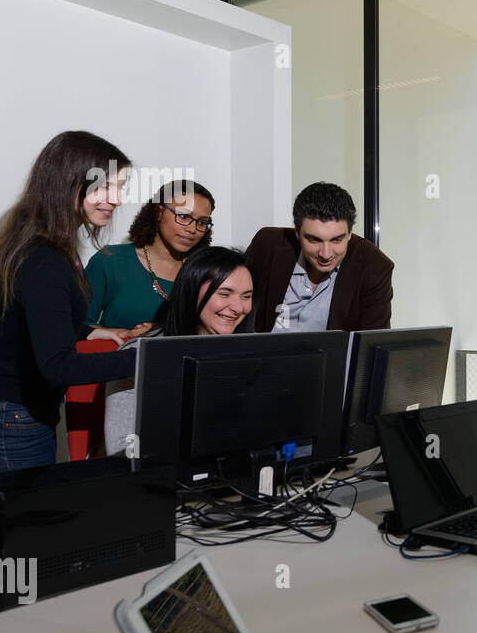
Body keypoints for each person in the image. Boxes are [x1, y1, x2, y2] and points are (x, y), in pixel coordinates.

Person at [0, 131, 148, 476]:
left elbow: (32, 318)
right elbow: (59, 367)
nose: (117, 200)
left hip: (2, 405)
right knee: (27, 512)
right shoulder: (44, 261)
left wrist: (90, 332)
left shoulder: (46, 241)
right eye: (105, 187)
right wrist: (146, 360)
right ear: (69, 182)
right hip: (8, 417)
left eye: (120, 188)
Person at [103, 247, 254, 456]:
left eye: (246, 296)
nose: (238, 307)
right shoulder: (138, 355)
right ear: (192, 291)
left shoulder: (252, 352)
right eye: (224, 294)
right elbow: (123, 448)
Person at [245, 182, 393, 333]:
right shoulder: (267, 246)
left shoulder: (374, 267)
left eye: (336, 240)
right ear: (297, 233)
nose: (325, 254)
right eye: (314, 240)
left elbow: (371, 343)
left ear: (349, 234)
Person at [85, 180, 215, 330]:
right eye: (183, 216)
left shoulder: (206, 272)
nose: (193, 229)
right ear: (159, 213)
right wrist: (128, 335)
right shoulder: (110, 260)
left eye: (202, 222)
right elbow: (78, 325)